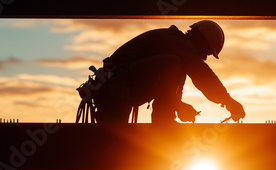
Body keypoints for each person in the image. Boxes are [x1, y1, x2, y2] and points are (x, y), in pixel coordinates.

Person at [96, 20, 246, 124]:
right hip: (114, 86)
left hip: (118, 91)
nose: (204, 58)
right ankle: (163, 122)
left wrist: (178, 106)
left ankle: (164, 122)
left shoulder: (178, 54)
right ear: (200, 39)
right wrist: (227, 101)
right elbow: (201, 72)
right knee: (173, 62)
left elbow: (166, 88)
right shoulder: (176, 42)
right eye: (206, 51)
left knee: (115, 146)